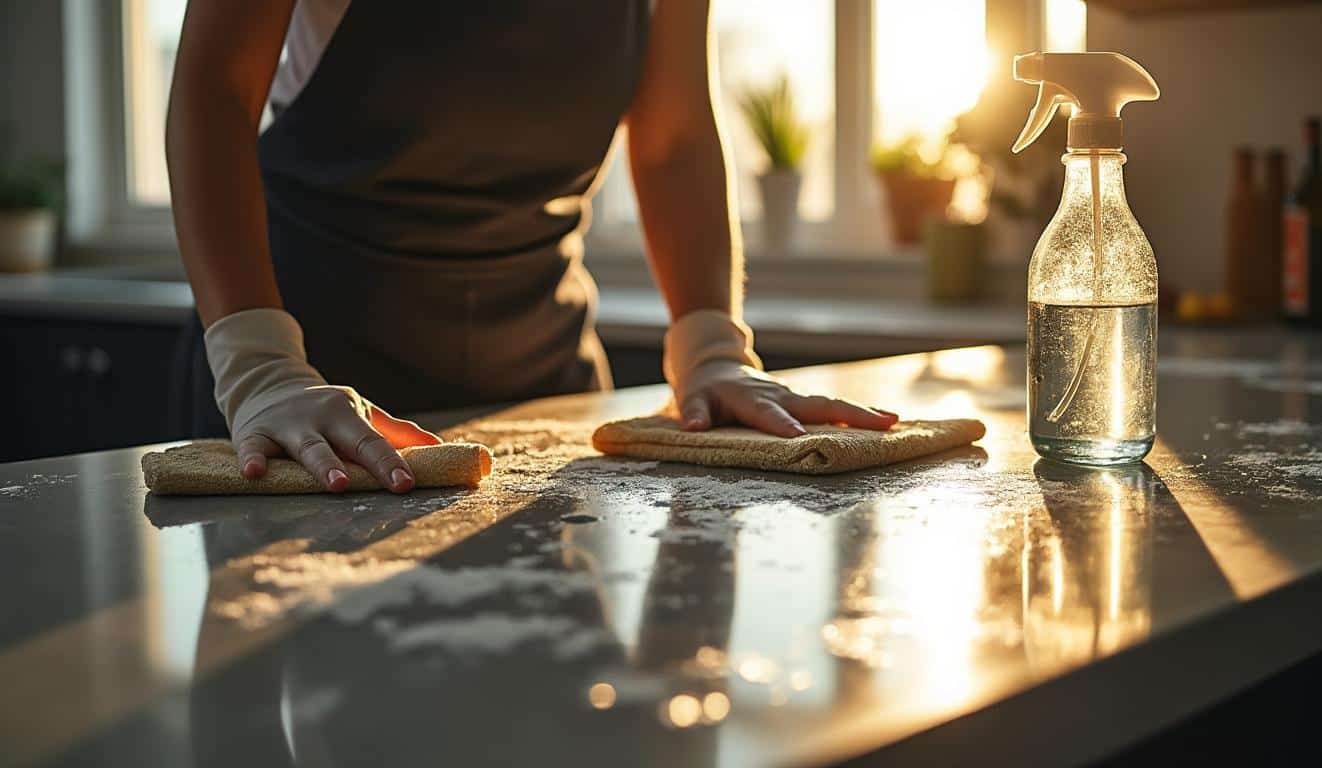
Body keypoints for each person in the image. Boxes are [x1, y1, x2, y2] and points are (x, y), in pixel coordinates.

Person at [166, 0, 898, 494]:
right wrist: (261, 368)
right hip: (310, 389)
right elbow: (214, 91)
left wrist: (713, 347)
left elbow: (673, 134)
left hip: (543, 375)